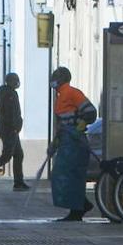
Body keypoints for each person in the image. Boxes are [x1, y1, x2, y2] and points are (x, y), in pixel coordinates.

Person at [49, 66, 97, 221]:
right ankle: (80, 204)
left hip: (75, 141)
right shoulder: (60, 96)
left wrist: (78, 129)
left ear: (62, 78)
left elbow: (90, 112)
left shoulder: (72, 93)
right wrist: (55, 143)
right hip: (67, 140)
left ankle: (78, 208)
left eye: (55, 77)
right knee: (64, 175)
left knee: (70, 175)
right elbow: (60, 124)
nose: (52, 80)